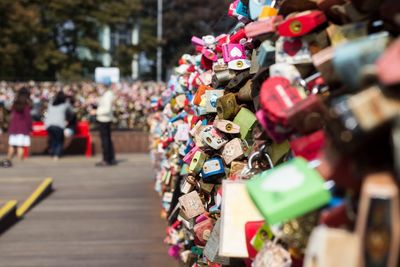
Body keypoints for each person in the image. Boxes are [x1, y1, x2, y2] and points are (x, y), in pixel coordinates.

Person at [2, 88, 32, 167]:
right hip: (23, 128)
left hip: (13, 127)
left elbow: (11, 115)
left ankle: (8, 159)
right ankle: (20, 162)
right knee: (20, 146)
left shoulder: (15, 104)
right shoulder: (26, 106)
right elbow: (28, 118)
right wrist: (30, 127)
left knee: (12, 145)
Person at [44, 91, 72, 160]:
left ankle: (53, 152)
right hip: (59, 124)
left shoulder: (51, 103)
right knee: (59, 140)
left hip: (48, 124)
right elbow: (71, 112)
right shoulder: (66, 104)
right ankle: (56, 154)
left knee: (53, 139)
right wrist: (68, 119)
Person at [96, 83, 116, 166]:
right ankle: (110, 158)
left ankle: (106, 159)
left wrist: (96, 112)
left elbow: (107, 109)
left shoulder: (108, 95)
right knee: (107, 139)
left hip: (104, 119)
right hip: (104, 119)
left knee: (105, 140)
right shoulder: (107, 94)